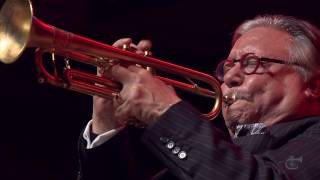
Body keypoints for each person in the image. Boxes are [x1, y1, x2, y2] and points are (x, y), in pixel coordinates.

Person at [77, 14, 320, 180]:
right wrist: (105, 123)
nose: (230, 76)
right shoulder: (206, 156)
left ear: (313, 85)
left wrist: (165, 111)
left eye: (251, 62)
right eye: (228, 65)